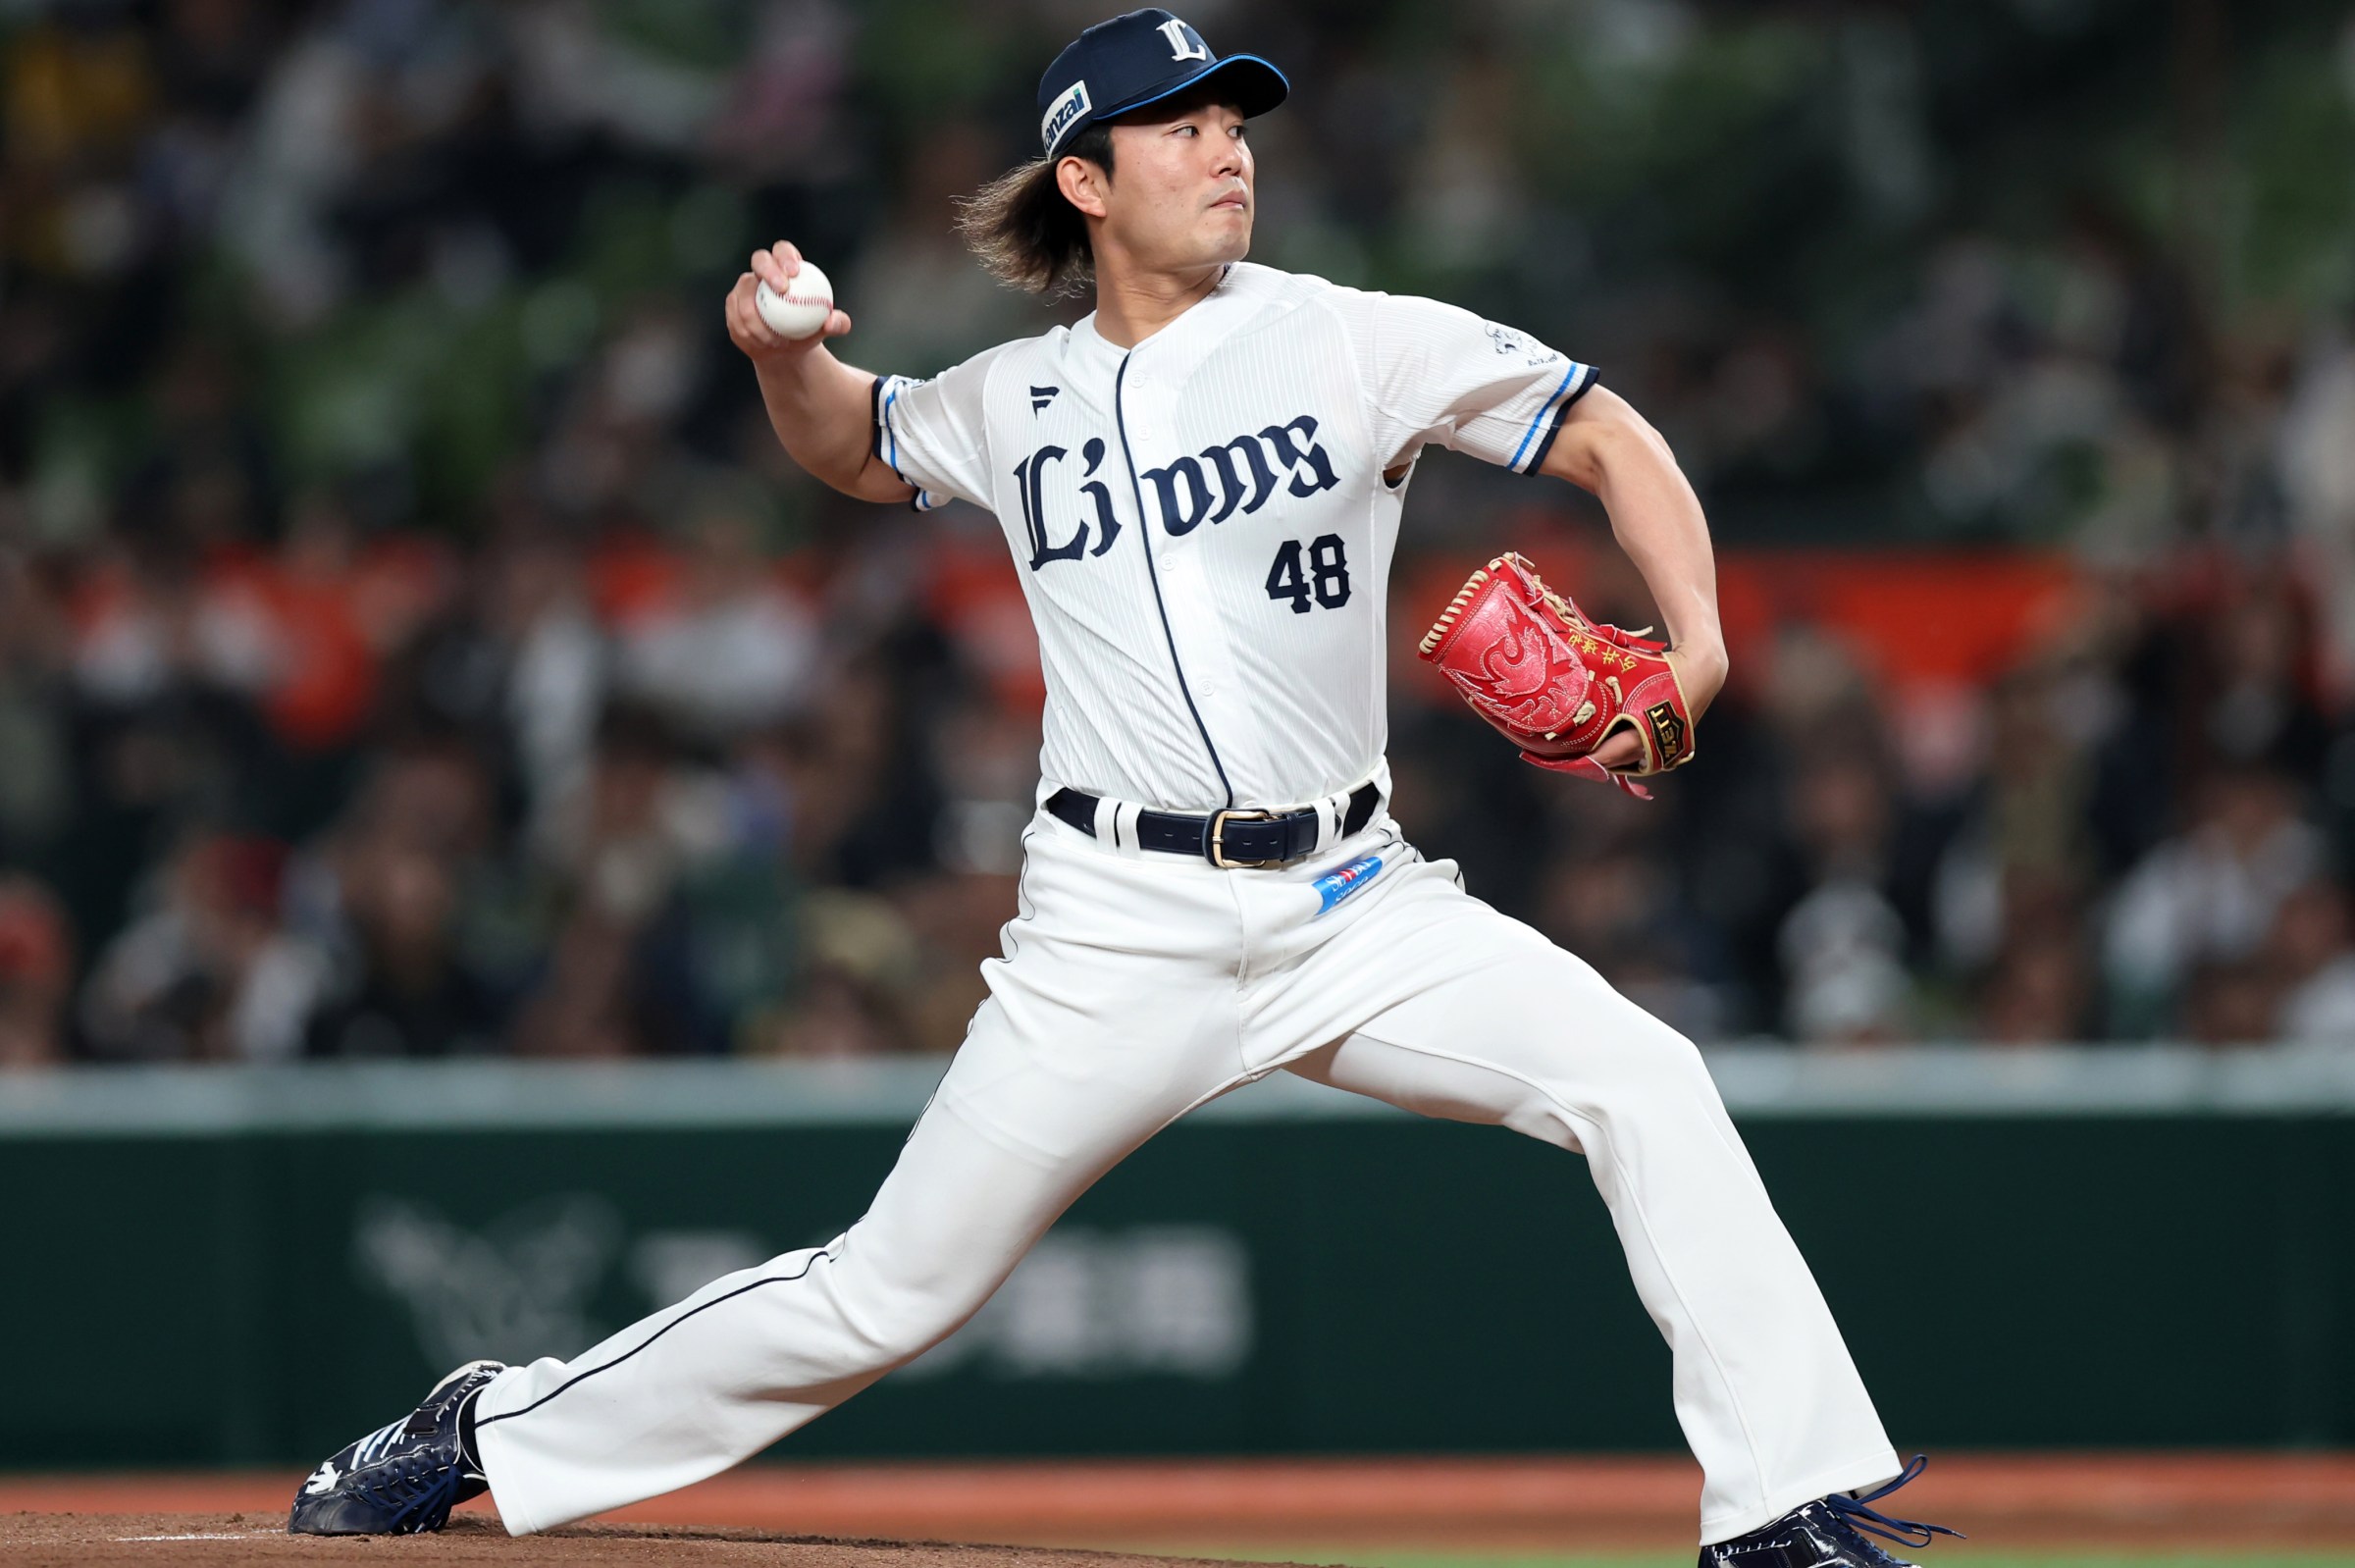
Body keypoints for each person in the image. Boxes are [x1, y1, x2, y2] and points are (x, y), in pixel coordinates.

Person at [291, 14, 1956, 1566]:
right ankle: (487, 1421)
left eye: (1236, 120)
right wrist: (778, 357)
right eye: (1181, 127)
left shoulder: (1351, 339)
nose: (1227, 148)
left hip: (1360, 904)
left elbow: (1606, 432)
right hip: (1116, 922)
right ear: (1085, 180)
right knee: (885, 1295)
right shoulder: (1013, 398)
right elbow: (858, 445)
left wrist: (1701, 645)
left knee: (1642, 1075)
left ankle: (1784, 1506)